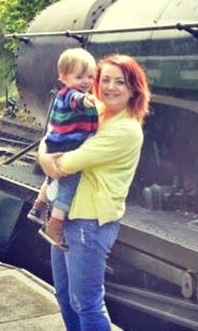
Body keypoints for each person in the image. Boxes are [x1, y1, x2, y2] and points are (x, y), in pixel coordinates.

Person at [38, 53, 151, 331]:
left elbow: (66, 163)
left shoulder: (126, 129)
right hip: (67, 216)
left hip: (89, 223)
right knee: (64, 296)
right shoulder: (96, 111)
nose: (110, 87)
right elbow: (51, 133)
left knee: (86, 303)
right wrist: (44, 155)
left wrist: (46, 158)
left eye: (120, 82)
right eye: (105, 80)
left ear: (134, 89)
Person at [27, 47, 99, 250]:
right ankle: (55, 225)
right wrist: (86, 100)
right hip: (68, 145)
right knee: (68, 184)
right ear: (63, 78)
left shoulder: (67, 92)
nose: (86, 81)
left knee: (51, 177)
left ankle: (38, 206)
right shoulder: (71, 94)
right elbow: (75, 100)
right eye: (79, 77)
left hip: (57, 142)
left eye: (90, 76)